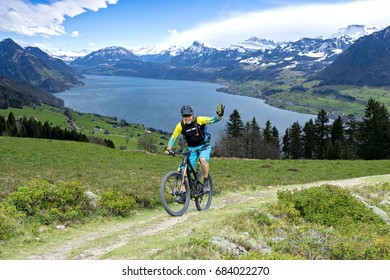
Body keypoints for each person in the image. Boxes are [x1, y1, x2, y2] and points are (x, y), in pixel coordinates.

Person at [165, 104, 225, 203]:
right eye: (185, 116)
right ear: (182, 116)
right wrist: (168, 148)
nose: (187, 118)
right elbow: (173, 137)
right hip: (191, 149)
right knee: (184, 170)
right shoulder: (181, 125)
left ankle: (206, 181)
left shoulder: (199, 120)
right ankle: (184, 194)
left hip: (204, 146)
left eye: (189, 116)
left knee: (202, 159)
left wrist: (220, 115)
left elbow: (215, 119)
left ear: (193, 115)